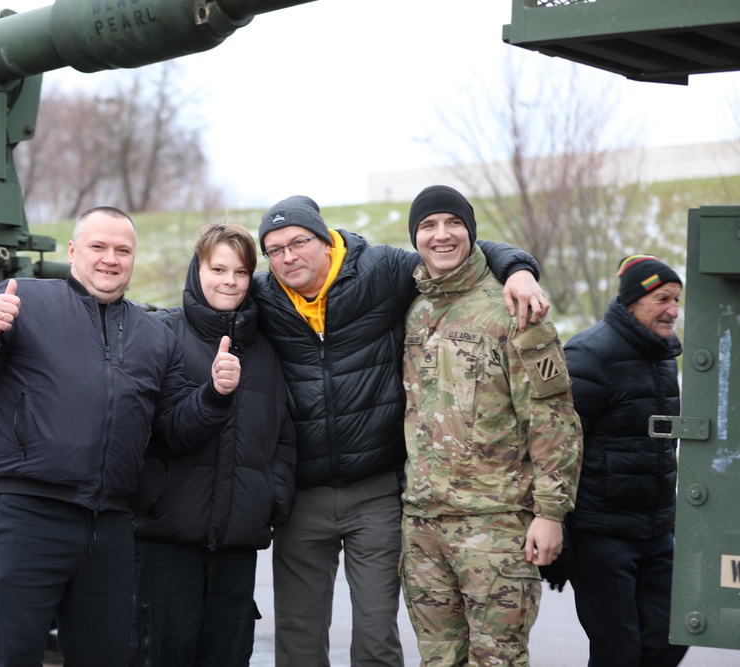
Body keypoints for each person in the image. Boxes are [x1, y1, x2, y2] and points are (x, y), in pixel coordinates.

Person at [0, 206, 241, 667]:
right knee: (9, 657)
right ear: (74, 250)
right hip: (27, 517)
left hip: (111, 528)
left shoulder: (153, 336)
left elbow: (177, 427)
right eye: (98, 246)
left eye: (123, 250)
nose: (110, 259)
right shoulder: (23, 301)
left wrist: (215, 396)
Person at [251, 194, 551, 666]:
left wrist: (518, 268)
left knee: (375, 635)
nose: (289, 256)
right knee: (298, 635)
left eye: (299, 242)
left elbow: (451, 252)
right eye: (274, 249)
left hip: (376, 491)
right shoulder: (263, 297)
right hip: (302, 496)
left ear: (326, 240)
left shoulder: (382, 271)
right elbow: (207, 298)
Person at [397, 185, 583, 666]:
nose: (441, 235)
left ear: (470, 231)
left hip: (495, 527)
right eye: (428, 226)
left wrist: (551, 513)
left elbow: (554, 418)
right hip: (423, 528)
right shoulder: (413, 311)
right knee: (438, 660)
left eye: (453, 223)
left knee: (497, 660)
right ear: (415, 238)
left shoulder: (515, 310)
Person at [131, 221, 298, 666]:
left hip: (236, 543)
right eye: (218, 269)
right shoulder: (161, 333)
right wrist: (213, 394)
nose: (229, 281)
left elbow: (284, 434)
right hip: (168, 539)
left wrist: (271, 498)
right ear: (197, 269)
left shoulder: (267, 348)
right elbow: (165, 429)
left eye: (241, 272)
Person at [562, 254, 688, 667]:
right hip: (601, 532)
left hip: (656, 530)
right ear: (633, 301)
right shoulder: (588, 354)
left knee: (673, 633)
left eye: (677, 300)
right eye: (662, 299)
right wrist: (554, 525)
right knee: (618, 651)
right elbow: (557, 445)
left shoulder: (664, 355)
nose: (673, 310)